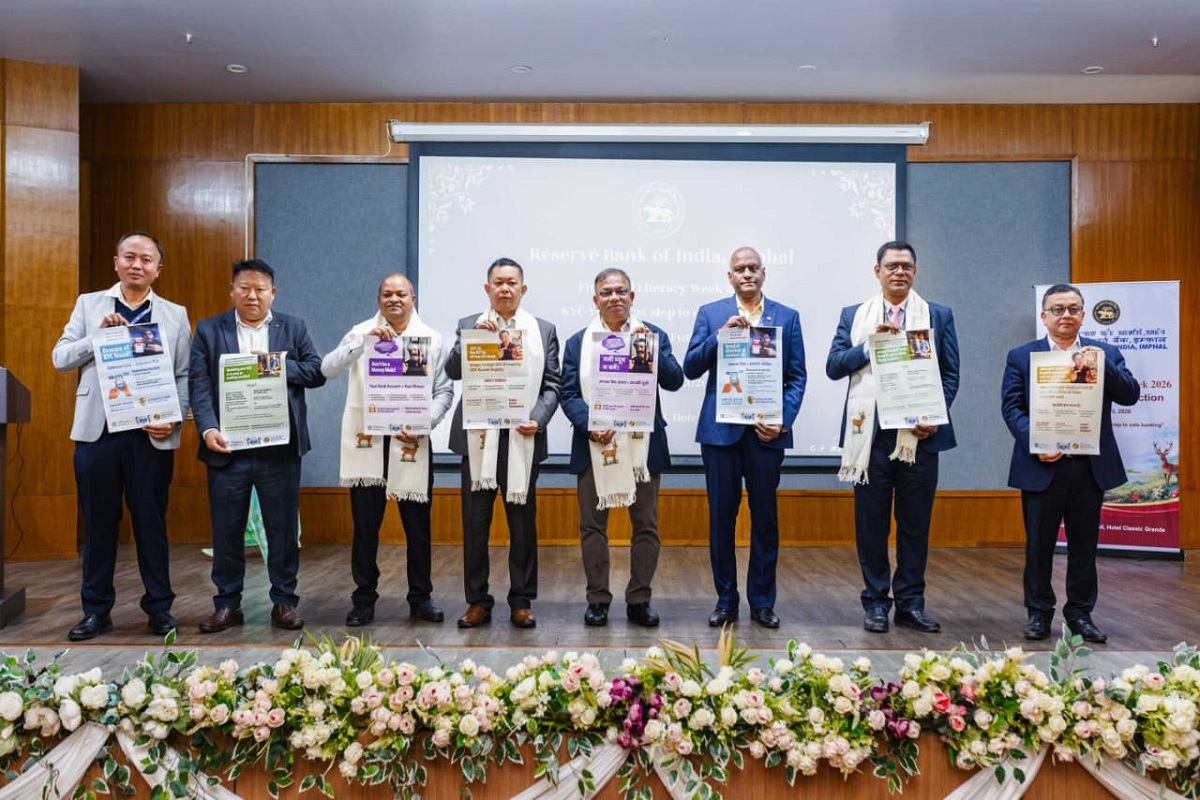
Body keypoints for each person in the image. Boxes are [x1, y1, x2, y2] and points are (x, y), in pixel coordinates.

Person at [52, 231, 191, 641]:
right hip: (98, 434)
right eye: (129, 257)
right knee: (99, 525)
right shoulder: (89, 304)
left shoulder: (175, 314)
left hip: (151, 433)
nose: (137, 265)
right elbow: (60, 358)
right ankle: (96, 612)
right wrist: (98, 335)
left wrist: (175, 419)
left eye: (146, 259)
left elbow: (184, 374)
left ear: (158, 269)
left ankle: (159, 609)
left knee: (151, 524)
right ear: (116, 263)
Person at [826, 241, 959, 634]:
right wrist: (869, 346)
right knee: (872, 526)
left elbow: (950, 374)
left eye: (906, 266)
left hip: (920, 437)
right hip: (870, 439)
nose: (899, 272)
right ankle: (875, 603)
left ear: (915, 271)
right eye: (892, 266)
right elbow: (834, 366)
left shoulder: (937, 315)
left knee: (915, 526)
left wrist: (934, 416)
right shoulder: (854, 315)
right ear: (877, 271)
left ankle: (911, 604)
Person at [189, 258, 326, 633]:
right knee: (226, 530)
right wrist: (207, 429)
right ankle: (227, 605)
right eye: (245, 288)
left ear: (273, 293)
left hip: (278, 450)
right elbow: (199, 384)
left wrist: (274, 366)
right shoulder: (209, 330)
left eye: (260, 289)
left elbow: (315, 371)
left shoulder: (293, 327)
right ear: (232, 290)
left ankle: (284, 602)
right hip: (227, 449)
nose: (252, 295)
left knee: (282, 531)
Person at [1002, 283, 1139, 643]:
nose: (1066, 315)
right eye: (1058, 309)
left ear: (1083, 314)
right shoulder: (1022, 356)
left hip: (1088, 467)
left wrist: (1103, 366)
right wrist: (1037, 442)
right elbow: (1012, 407)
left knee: (1084, 547)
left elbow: (1130, 395)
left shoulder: (1105, 353)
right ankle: (1038, 613)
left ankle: (1080, 614)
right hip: (1042, 465)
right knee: (1038, 546)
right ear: (1044, 315)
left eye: (1073, 309)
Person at [683, 246, 806, 629]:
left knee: (765, 520)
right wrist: (717, 338)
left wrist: (782, 420)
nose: (747, 273)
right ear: (730, 276)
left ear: (764, 273)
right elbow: (690, 367)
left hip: (766, 434)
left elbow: (797, 377)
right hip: (720, 435)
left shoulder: (786, 317)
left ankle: (763, 602)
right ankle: (726, 600)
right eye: (740, 269)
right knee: (722, 519)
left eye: (753, 268)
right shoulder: (711, 314)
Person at [321, 274, 453, 626]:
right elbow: (327, 368)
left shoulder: (431, 339)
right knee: (365, 530)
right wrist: (362, 344)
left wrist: (427, 421)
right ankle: (363, 599)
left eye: (401, 294)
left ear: (413, 298)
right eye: (387, 294)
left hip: (410, 443)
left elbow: (444, 391)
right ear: (378, 298)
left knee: (418, 530)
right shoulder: (360, 332)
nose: (394, 299)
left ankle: (420, 597)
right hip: (368, 446)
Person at [560, 268, 684, 627]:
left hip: (643, 447)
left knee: (645, 526)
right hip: (594, 444)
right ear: (595, 299)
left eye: (621, 291)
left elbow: (676, 381)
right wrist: (590, 423)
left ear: (632, 297)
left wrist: (652, 352)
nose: (614, 297)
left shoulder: (652, 335)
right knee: (592, 526)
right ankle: (597, 599)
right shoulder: (578, 342)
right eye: (606, 292)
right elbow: (568, 393)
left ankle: (639, 599)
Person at [445, 257, 560, 629]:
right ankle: (477, 601)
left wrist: (538, 419)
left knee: (522, 526)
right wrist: (473, 341)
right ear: (487, 288)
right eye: (498, 282)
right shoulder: (470, 325)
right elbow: (451, 371)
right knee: (475, 525)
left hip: (522, 437)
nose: (505, 289)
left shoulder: (543, 330)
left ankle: (521, 601)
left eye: (512, 283)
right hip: (478, 439)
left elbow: (552, 385)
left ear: (523, 289)